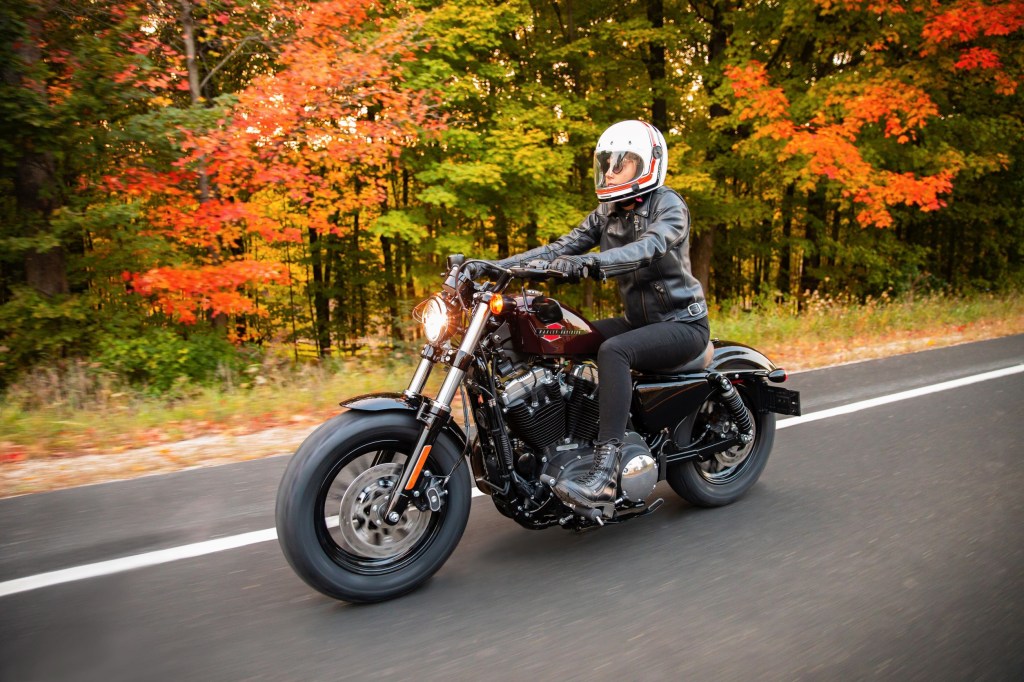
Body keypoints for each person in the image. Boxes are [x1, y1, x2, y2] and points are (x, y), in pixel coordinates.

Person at [488, 119, 710, 516]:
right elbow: (560, 247)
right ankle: (573, 444)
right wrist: (491, 266)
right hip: (639, 322)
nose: (609, 172)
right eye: (606, 163)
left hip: (682, 325)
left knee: (613, 352)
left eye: (620, 164)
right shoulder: (607, 211)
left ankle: (607, 476)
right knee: (562, 336)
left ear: (647, 165)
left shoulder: (669, 206)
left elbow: (649, 247)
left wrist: (587, 265)